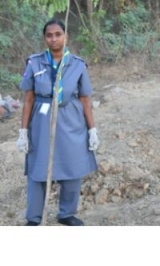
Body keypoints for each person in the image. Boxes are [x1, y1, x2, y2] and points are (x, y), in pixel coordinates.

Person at [16, 19, 99, 226]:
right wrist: (23, 131)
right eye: (49, 35)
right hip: (42, 119)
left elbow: (85, 99)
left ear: (66, 36)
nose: (54, 39)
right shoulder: (34, 63)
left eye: (58, 34)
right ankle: (34, 217)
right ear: (45, 38)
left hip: (70, 118)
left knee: (72, 165)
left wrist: (92, 129)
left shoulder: (77, 64)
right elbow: (28, 99)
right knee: (38, 167)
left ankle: (66, 213)